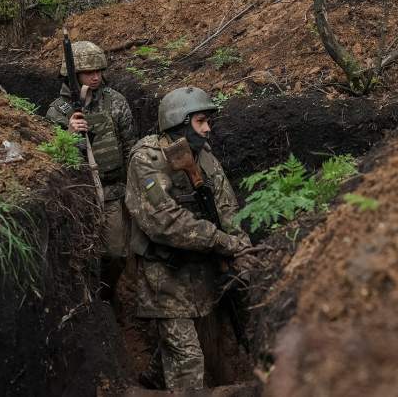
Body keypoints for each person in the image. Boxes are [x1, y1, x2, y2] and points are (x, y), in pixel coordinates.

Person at [124, 86, 252, 390]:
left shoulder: (203, 156)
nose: (208, 129)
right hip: (164, 276)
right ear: (179, 123)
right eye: (201, 122)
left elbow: (226, 206)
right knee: (188, 359)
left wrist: (241, 245)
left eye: (208, 121)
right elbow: (165, 222)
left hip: (200, 271)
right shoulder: (147, 161)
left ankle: (152, 380)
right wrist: (223, 242)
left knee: (181, 343)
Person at [46, 40, 136, 300]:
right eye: (88, 72)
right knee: (78, 255)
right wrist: (69, 134)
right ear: (73, 75)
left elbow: (130, 144)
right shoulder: (58, 111)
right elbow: (53, 158)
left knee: (116, 253)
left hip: (112, 192)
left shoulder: (115, 101)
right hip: (77, 196)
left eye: (99, 71)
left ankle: (106, 297)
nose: (96, 76)